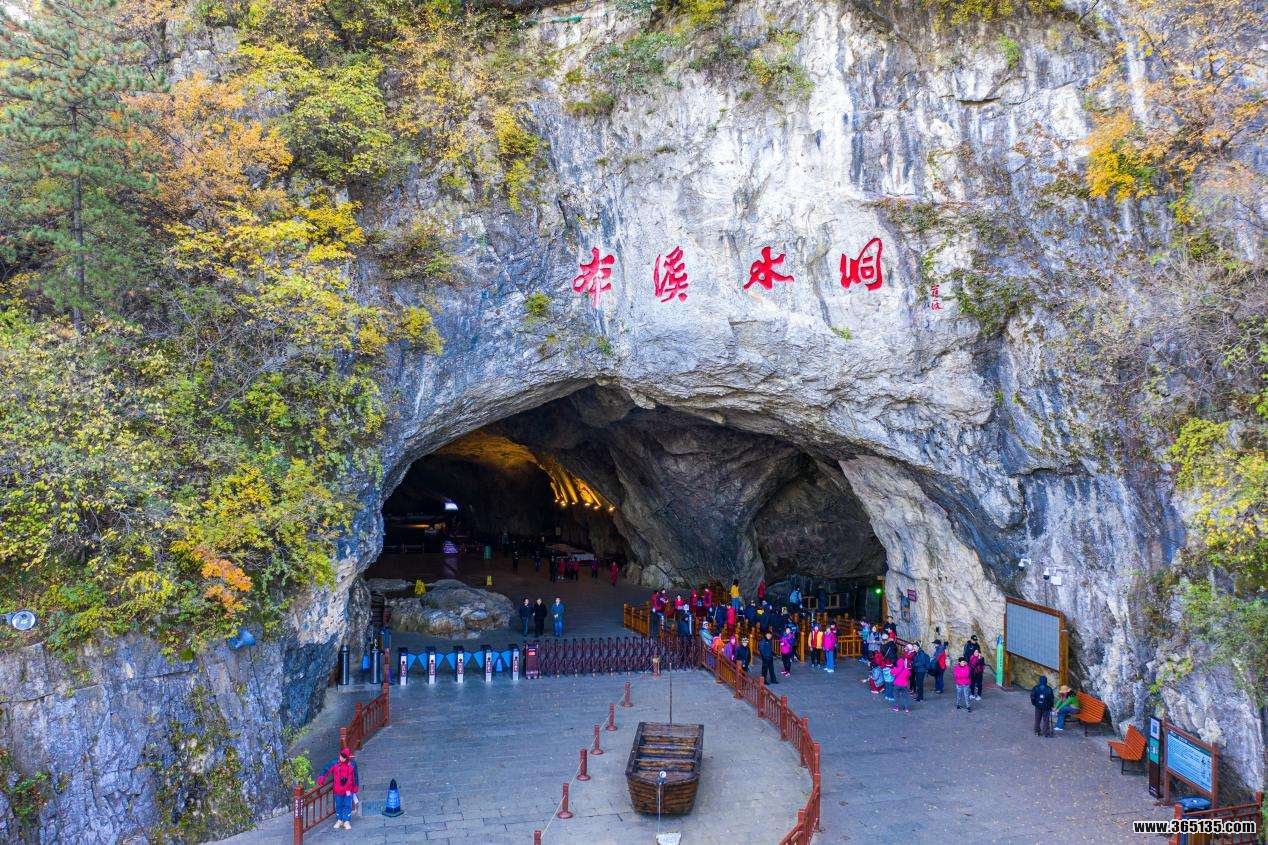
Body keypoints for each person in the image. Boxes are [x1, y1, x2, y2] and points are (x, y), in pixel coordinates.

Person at [316, 748, 359, 831]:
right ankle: (339, 820)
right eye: (341, 756)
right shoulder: (334, 763)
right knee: (338, 804)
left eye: (344, 757)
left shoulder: (352, 764)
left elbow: (355, 776)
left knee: (347, 805)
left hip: (348, 790)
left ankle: (346, 820)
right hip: (338, 790)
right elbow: (326, 769)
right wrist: (322, 776)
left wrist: (356, 785)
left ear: (347, 757)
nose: (341, 758)